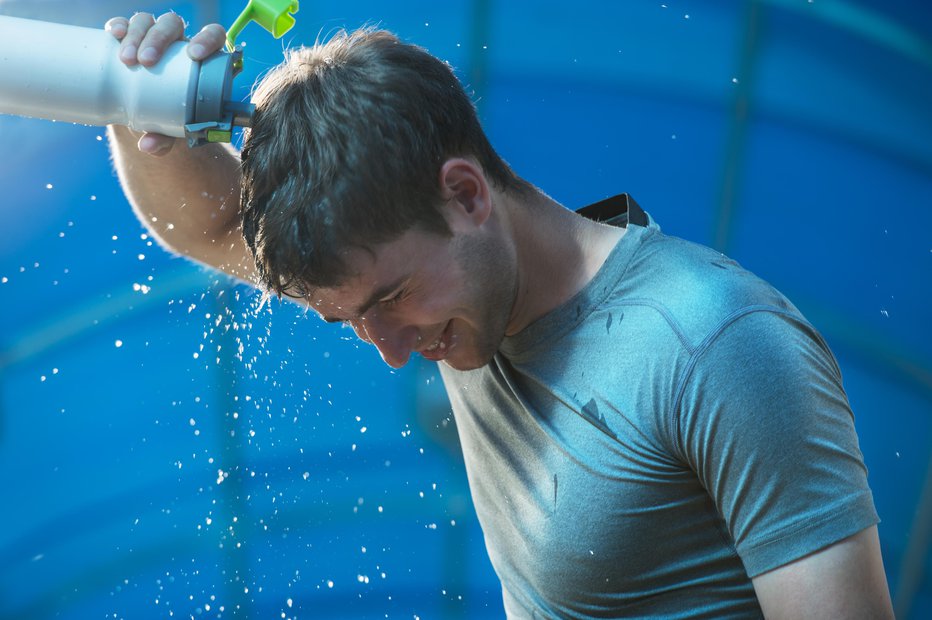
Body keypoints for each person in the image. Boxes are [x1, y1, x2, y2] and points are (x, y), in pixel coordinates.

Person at [104, 12, 895, 619]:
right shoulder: (453, 297)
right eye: (350, 323)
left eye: (389, 303)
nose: (390, 351)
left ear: (467, 194)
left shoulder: (715, 346)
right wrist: (136, 112)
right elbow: (207, 228)